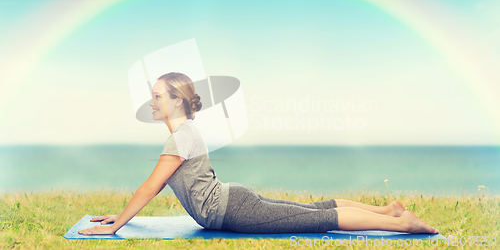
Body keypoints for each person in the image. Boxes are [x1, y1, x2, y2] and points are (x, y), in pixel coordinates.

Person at [78, 72, 439, 235]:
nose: (152, 102)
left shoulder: (179, 139)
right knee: (313, 211)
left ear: (177, 101)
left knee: (317, 220)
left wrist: (118, 224)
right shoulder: (186, 133)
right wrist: (122, 217)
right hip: (233, 200)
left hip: (233, 208)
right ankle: (386, 210)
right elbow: (153, 189)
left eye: (158, 96)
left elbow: (149, 187)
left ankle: (399, 223)